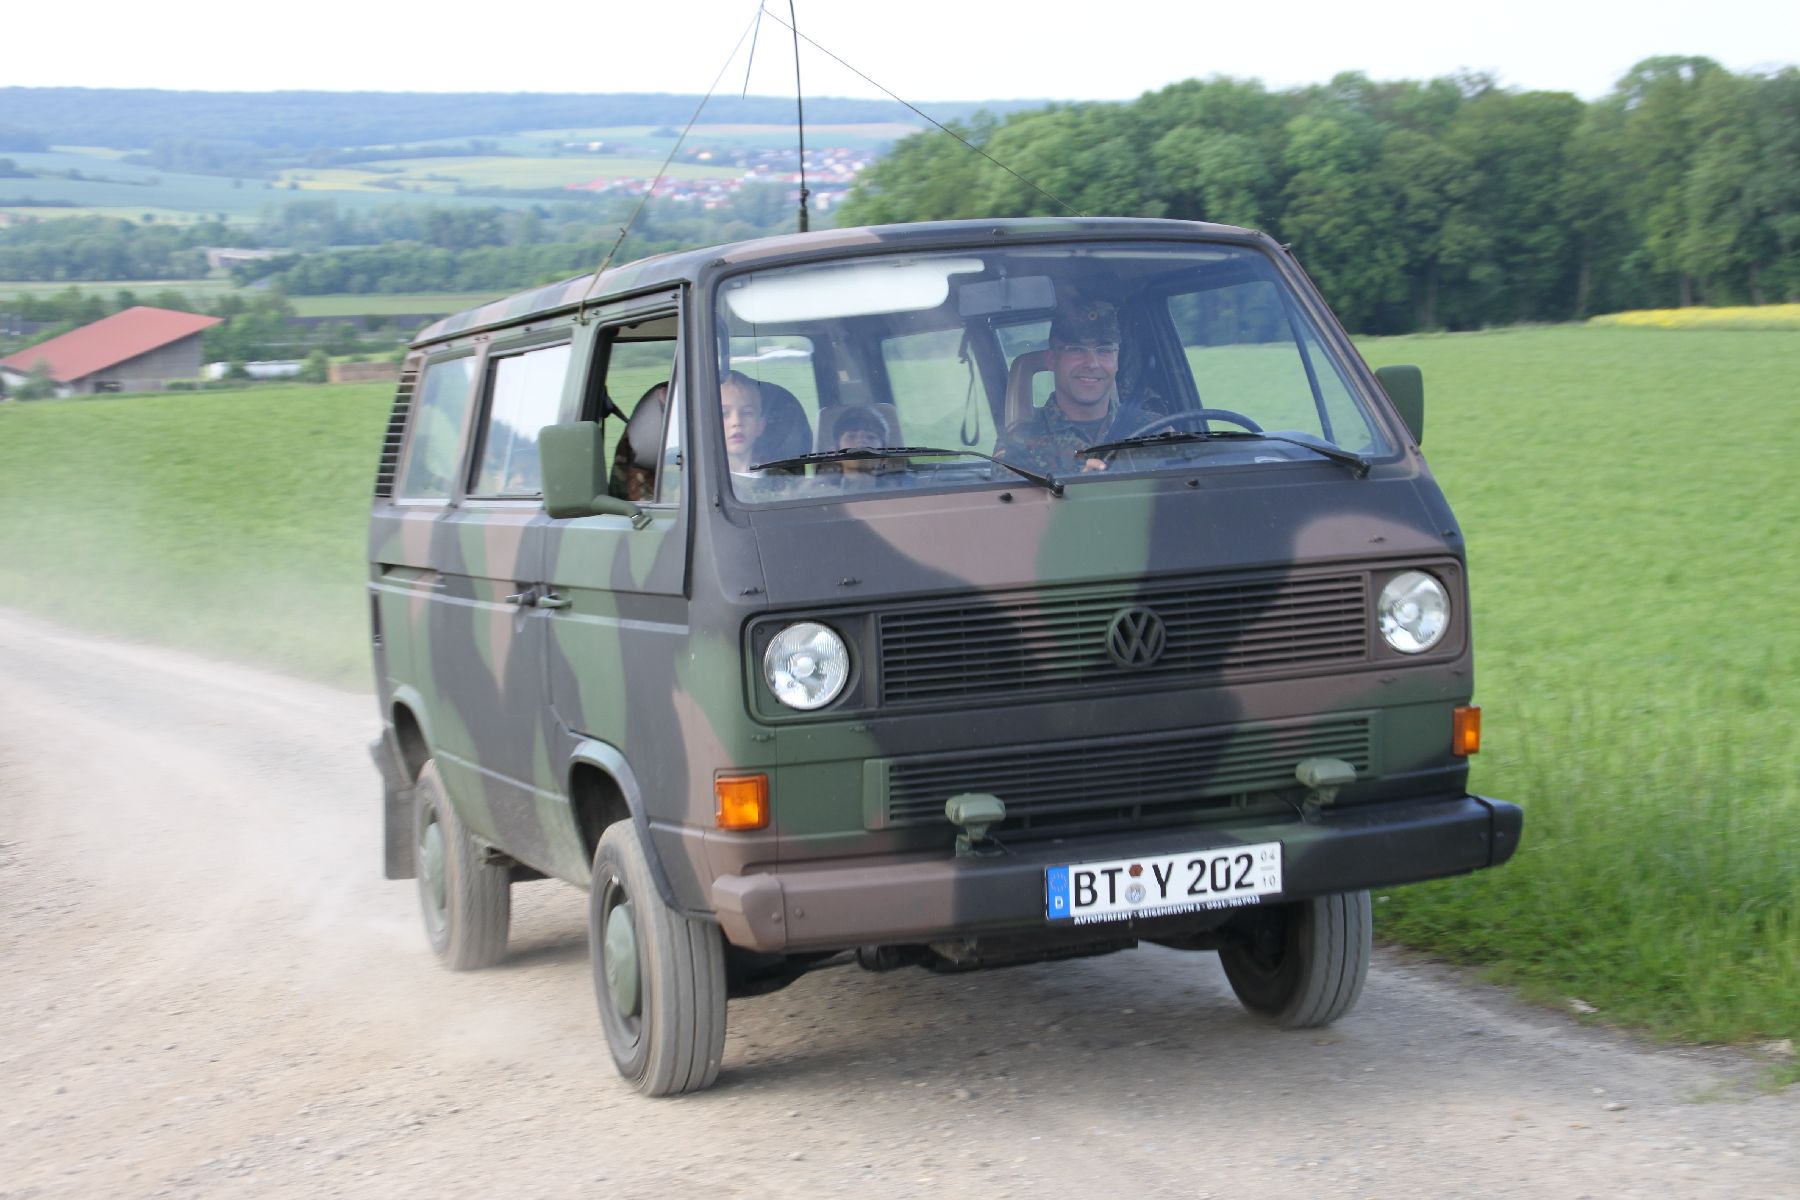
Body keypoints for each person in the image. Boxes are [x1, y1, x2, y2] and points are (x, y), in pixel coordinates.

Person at [995, 299, 1135, 475]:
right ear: (1052, 359)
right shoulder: (1019, 445)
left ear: (1117, 360)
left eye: (1104, 350)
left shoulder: (1152, 430)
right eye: (1076, 349)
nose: (1092, 363)